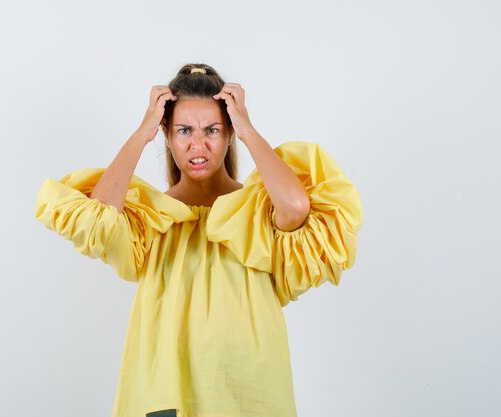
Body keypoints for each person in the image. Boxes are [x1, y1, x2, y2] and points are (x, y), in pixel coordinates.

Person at [34, 63, 363, 417]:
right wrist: (142, 132)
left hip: (249, 382)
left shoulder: (256, 208)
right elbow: (94, 218)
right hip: (165, 381)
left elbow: (298, 207)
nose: (197, 144)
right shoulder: (152, 217)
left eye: (212, 130)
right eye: (184, 130)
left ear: (229, 134)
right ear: (167, 134)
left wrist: (249, 131)